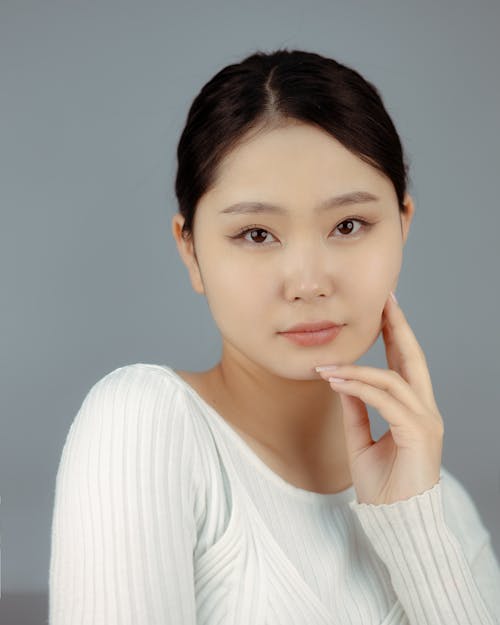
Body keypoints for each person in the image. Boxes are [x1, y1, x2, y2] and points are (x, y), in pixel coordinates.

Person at [49, 48, 500, 624]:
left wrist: (415, 524)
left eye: (348, 225)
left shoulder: (445, 507)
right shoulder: (145, 424)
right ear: (190, 250)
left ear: (403, 226)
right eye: (257, 234)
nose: (309, 282)